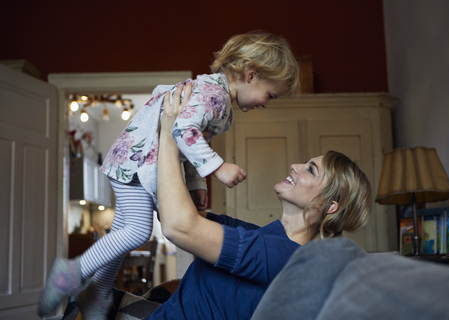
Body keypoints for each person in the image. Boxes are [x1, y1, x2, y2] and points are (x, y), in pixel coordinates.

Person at [37, 31, 300, 319]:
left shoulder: (216, 97)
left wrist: (197, 182)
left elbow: (192, 143)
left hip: (132, 161)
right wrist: (218, 167)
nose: (265, 103)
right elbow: (182, 131)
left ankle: (97, 293)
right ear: (251, 75)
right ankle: (69, 274)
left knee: (122, 233)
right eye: (270, 95)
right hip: (136, 163)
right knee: (137, 231)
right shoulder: (214, 95)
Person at [145, 86, 373, 319]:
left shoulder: (286, 257)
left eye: (311, 170)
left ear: (330, 204)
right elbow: (170, 212)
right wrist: (194, 172)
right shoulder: (258, 236)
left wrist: (169, 134)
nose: (295, 165)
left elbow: (177, 227)